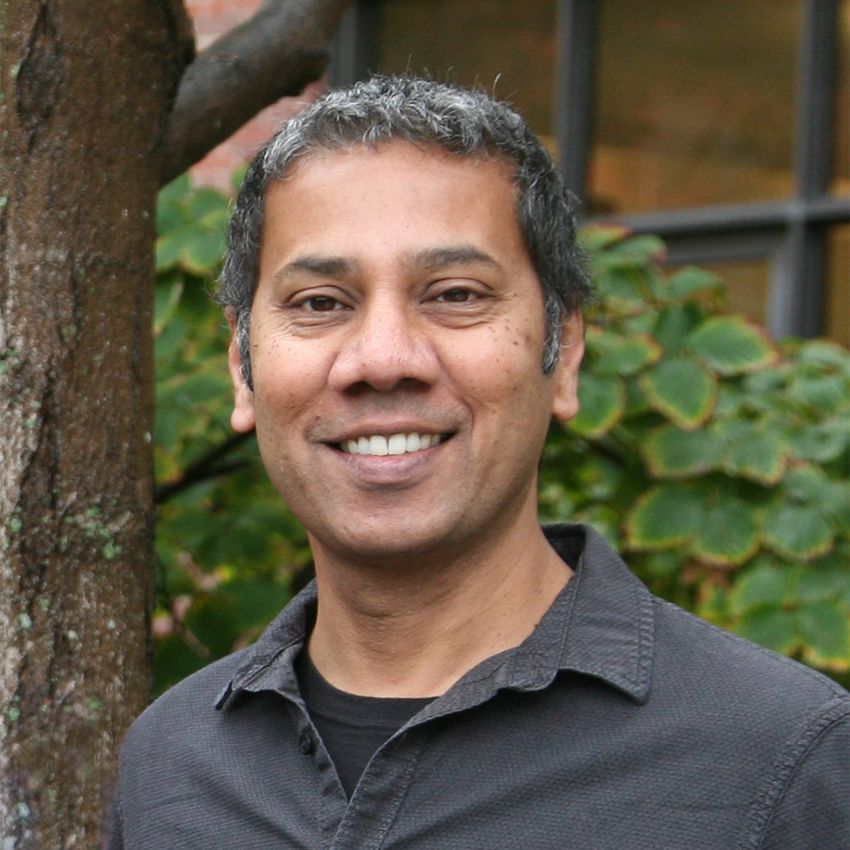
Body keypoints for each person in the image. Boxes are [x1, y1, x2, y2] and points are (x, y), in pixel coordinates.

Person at [106, 76, 849, 849]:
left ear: (564, 355)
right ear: (243, 364)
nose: (383, 359)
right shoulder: (171, 767)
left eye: (456, 294)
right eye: (320, 302)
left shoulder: (780, 763)